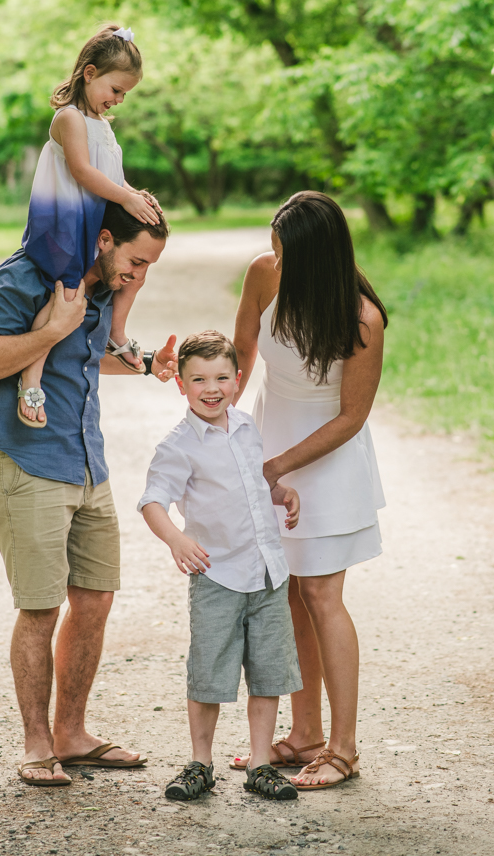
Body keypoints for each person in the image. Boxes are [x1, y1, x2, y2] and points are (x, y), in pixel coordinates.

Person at [0, 199, 177, 788]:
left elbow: (79, 359)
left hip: (87, 462)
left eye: (148, 267)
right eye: (135, 260)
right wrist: (54, 326)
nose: (137, 275)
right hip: (25, 461)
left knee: (96, 599)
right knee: (40, 606)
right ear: (104, 239)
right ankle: (36, 747)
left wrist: (144, 366)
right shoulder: (25, 276)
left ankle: (71, 735)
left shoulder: (102, 290)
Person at [231, 191, 387, 790]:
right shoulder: (265, 274)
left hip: (328, 459)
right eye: (274, 250)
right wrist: (218, 418)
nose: (277, 262)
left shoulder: (361, 318)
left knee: (322, 595)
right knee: (289, 595)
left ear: (319, 259)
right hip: (271, 435)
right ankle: (304, 736)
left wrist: (279, 467)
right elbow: (243, 353)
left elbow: (350, 418)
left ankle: (343, 750)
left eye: (288, 255)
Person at [138, 330, 303, 803]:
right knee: (210, 671)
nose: (211, 388)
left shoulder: (248, 428)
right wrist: (175, 538)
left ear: (236, 380)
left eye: (221, 378)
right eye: (199, 379)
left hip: (267, 572)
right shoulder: (179, 445)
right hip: (218, 575)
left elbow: (253, 484)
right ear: (182, 385)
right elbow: (152, 500)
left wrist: (280, 492)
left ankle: (260, 764)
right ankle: (201, 763)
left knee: (268, 672)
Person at [18, 23, 159, 429]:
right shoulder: (70, 119)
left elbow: (111, 175)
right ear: (90, 73)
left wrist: (136, 194)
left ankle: (116, 332)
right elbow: (82, 171)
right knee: (67, 294)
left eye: (124, 95)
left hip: (92, 223)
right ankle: (32, 374)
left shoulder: (104, 126)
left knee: (135, 269)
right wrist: (124, 197)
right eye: (115, 90)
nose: (117, 100)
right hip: (64, 222)